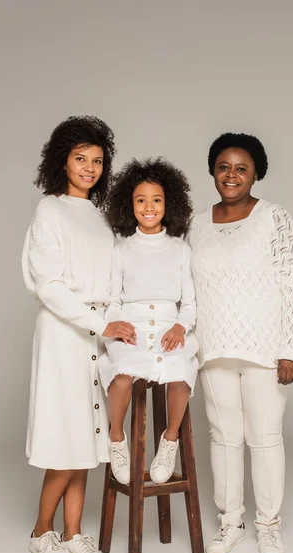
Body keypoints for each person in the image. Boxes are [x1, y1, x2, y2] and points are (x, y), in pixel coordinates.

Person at [187, 132, 293, 553]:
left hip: (263, 350)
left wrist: (291, 348)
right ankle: (231, 522)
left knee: (264, 438)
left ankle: (269, 526)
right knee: (223, 438)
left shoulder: (275, 219)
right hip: (213, 348)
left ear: (257, 172)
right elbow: (187, 289)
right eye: (224, 167)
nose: (232, 175)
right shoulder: (196, 225)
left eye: (242, 168)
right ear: (212, 172)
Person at [22, 116, 135, 553]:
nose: (89, 168)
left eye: (97, 161)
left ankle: (72, 533)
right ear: (61, 161)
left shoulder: (102, 216)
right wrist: (98, 323)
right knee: (66, 438)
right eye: (80, 158)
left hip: (97, 336)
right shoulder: (49, 210)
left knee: (88, 440)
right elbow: (48, 286)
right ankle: (40, 530)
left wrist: (115, 324)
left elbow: (113, 279)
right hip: (64, 334)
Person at [98, 158, 198, 485]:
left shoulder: (180, 250)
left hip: (171, 329)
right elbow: (113, 300)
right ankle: (117, 439)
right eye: (141, 200)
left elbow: (190, 303)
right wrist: (116, 324)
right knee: (123, 375)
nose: (149, 206)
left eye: (156, 199)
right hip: (132, 329)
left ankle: (169, 440)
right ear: (130, 205)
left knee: (182, 371)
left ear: (169, 204)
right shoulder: (121, 250)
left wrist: (180, 327)